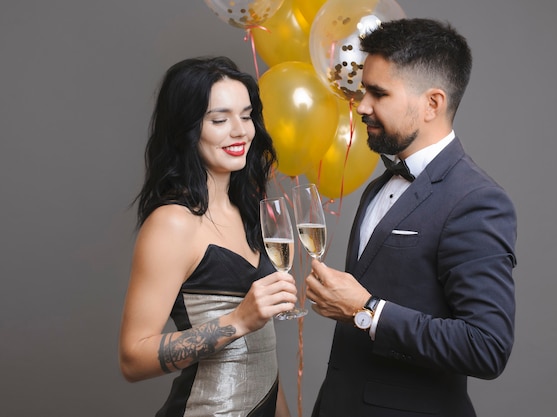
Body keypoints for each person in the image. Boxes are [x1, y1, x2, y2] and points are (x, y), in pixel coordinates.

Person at [305, 18, 517, 417]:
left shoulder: (477, 200)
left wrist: (366, 311)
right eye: (363, 89)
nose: (361, 105)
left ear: (432, 104)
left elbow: (487, 347)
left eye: (378, 93)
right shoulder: (376, 188)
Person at [118, 56, 296, 417]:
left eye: (246, 116)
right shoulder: (173, 223)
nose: (240, 131)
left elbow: (263, 357)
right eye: (219, 119)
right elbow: (133, 359)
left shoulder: (250, 210)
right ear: (187, 128)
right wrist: (238, 321)